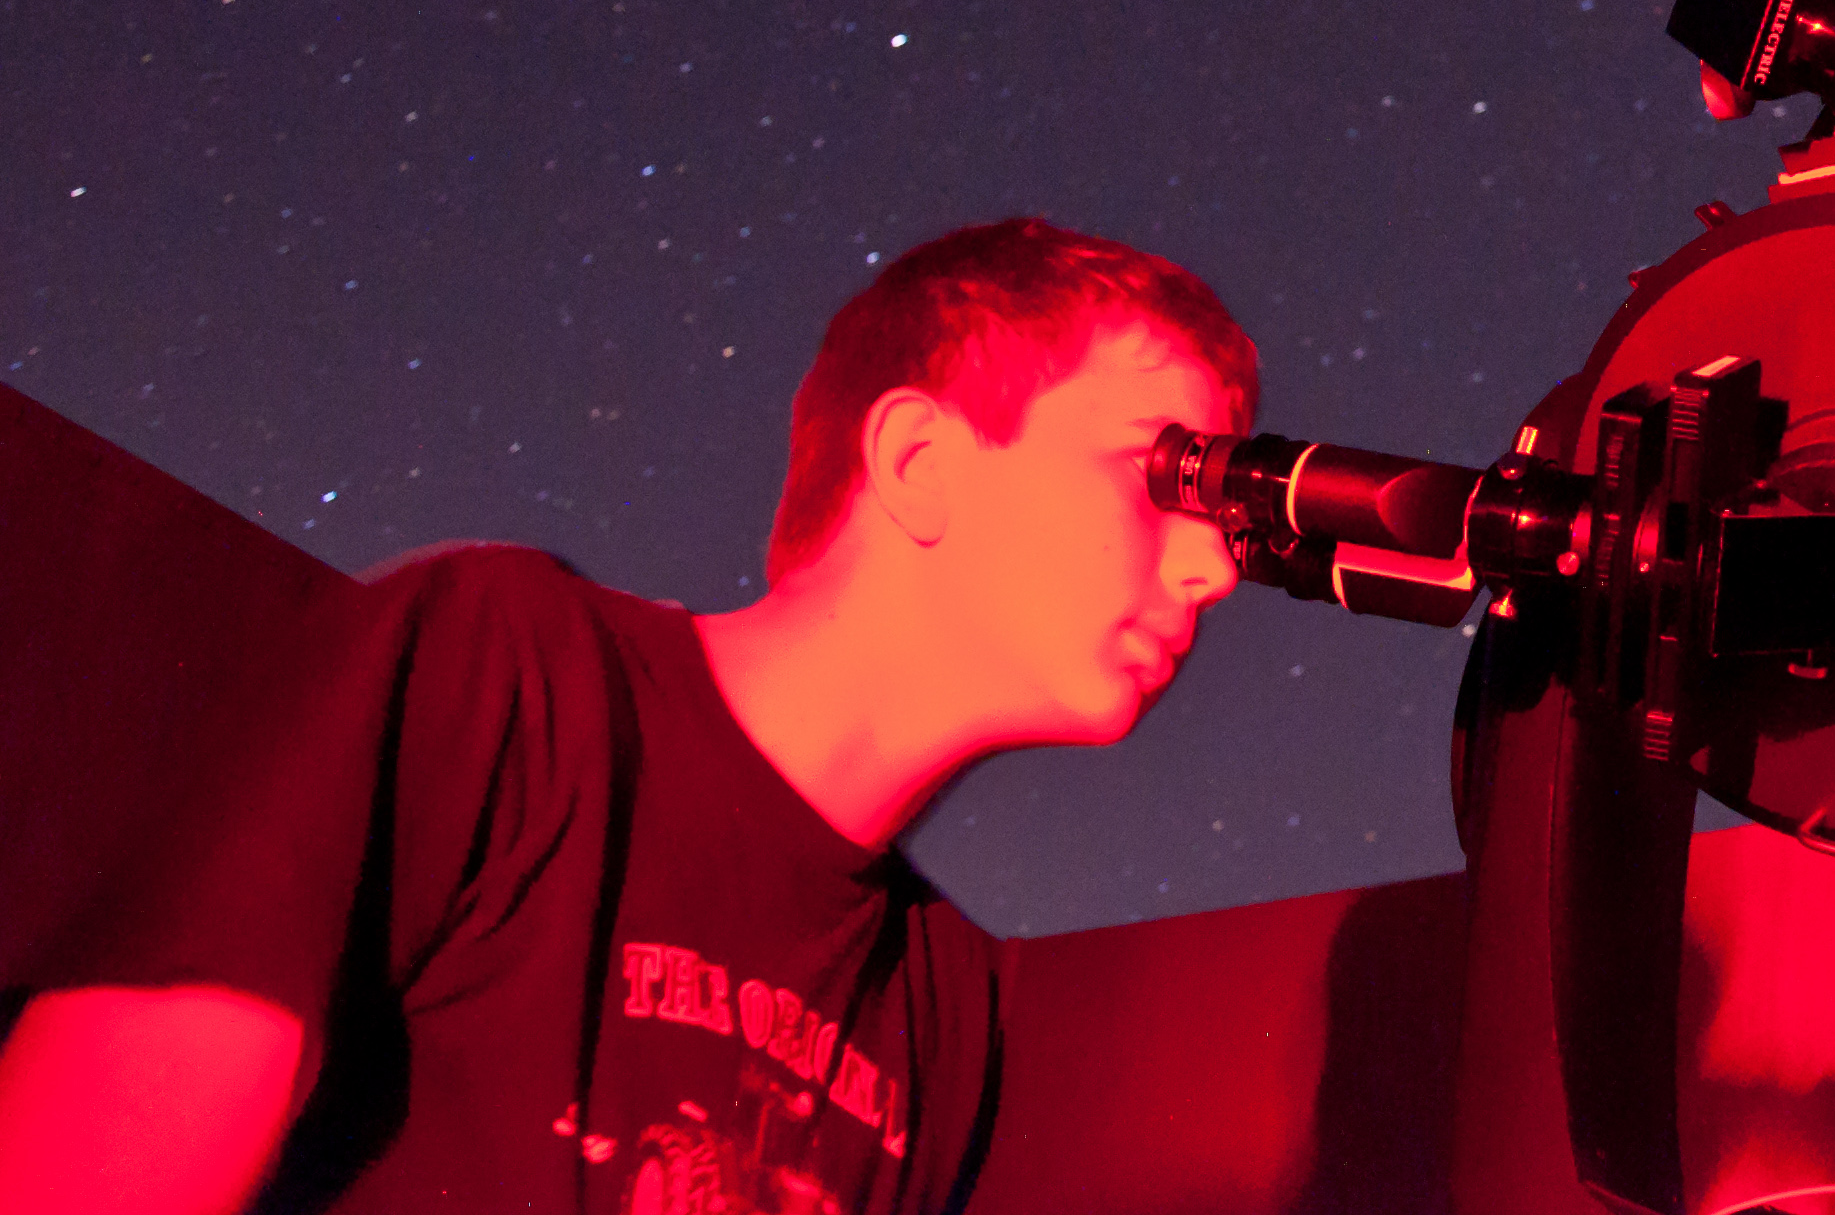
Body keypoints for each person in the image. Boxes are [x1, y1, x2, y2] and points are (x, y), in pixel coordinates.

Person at [0, 217, 1259, 1214]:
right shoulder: (504, 665)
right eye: (1163, 474)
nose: (1213, 565)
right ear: (918, 463)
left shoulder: (943, 1004)